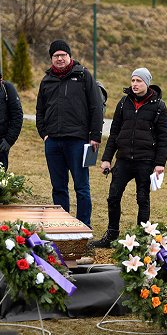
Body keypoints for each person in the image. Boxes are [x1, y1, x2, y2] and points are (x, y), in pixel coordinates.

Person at [91, 67, 167, 248]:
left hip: (145, 161)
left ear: (147, 83)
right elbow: (114, 133)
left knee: (142, 199)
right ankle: (111, 234)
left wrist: (159, 163)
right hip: (123, 160)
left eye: (139, 81)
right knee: (113, 197)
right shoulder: (123, 103)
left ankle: (141, 238)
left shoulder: (158, 106)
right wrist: (106, 158)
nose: (134, 84)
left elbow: (164, 137)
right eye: (133, 80)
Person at [35, 40, 104, 228]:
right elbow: (39, 110)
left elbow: (96, 106)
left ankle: (83, 228)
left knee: (82, 187)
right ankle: (62, 227)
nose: (59, 58)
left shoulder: (83, 76)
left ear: (69, 56)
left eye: (62, 55)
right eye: (56, 56)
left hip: (78, 141)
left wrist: (95, 135)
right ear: (51, 59)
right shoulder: (46, 80)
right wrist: (44, 134)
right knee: (58, 187)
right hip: (53, 142)